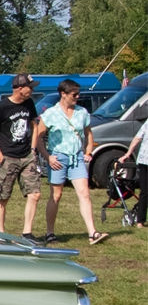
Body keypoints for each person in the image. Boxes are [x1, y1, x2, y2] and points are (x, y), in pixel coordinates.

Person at [37, 78, 105, 244]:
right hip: (58, 157)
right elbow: (38, 138)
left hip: (77, 157)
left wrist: (88, 151)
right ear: (63, 94)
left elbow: (88, 133)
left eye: (78, 94)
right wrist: (48, 157)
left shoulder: (82, 112)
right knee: (56, 195)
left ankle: (92, 232)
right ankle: (50, 232)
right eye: (74, 94)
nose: (77, 97)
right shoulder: (50, 114)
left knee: (84, 193)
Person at [0, 74, 42, 241]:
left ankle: (27, 233)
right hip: (8, 157)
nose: (32, 90)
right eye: (29, 87)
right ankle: (1, 234)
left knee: (35, 194)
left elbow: (34, 125)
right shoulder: (2, 107)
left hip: (27, 156)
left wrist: (33, 149)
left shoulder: (29, 104)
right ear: (20, 88)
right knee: (3, 197)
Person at [118, 123, 148, 229]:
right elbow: (137, 138)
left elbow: (137, 138)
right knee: (145, 192)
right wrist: (127, 154)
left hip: (144, 160)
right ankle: (140, 221)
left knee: (145, 192)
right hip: (145, 161)